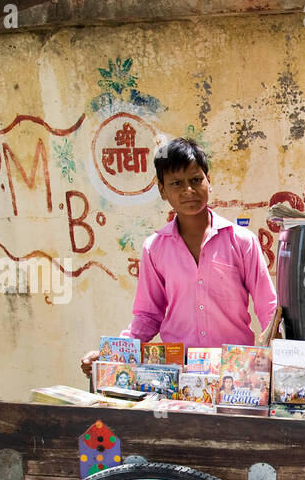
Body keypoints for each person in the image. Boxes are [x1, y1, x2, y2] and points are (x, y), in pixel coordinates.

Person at [80, 137, 278, 376]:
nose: (189, 191)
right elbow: (147, 316)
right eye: (176, 183)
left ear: (209, 181)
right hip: (178, 373)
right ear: (162, 190)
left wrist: (283, 356)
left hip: (234, 372)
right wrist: (112, 354)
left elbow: (269, 309)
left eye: (196, 180)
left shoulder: (242, 241)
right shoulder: (155, 248)